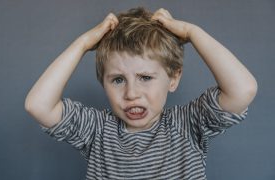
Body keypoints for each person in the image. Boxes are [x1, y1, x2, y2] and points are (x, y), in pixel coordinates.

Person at [25, 7, 257, 180]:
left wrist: (192, 32)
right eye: (118, 80)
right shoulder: (97, 130)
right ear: (102, 82)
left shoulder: (188, 124)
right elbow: (38, 105)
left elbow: (242, 90)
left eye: (145, 78)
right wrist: (83, 44)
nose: (131, 93)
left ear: (173, 78)